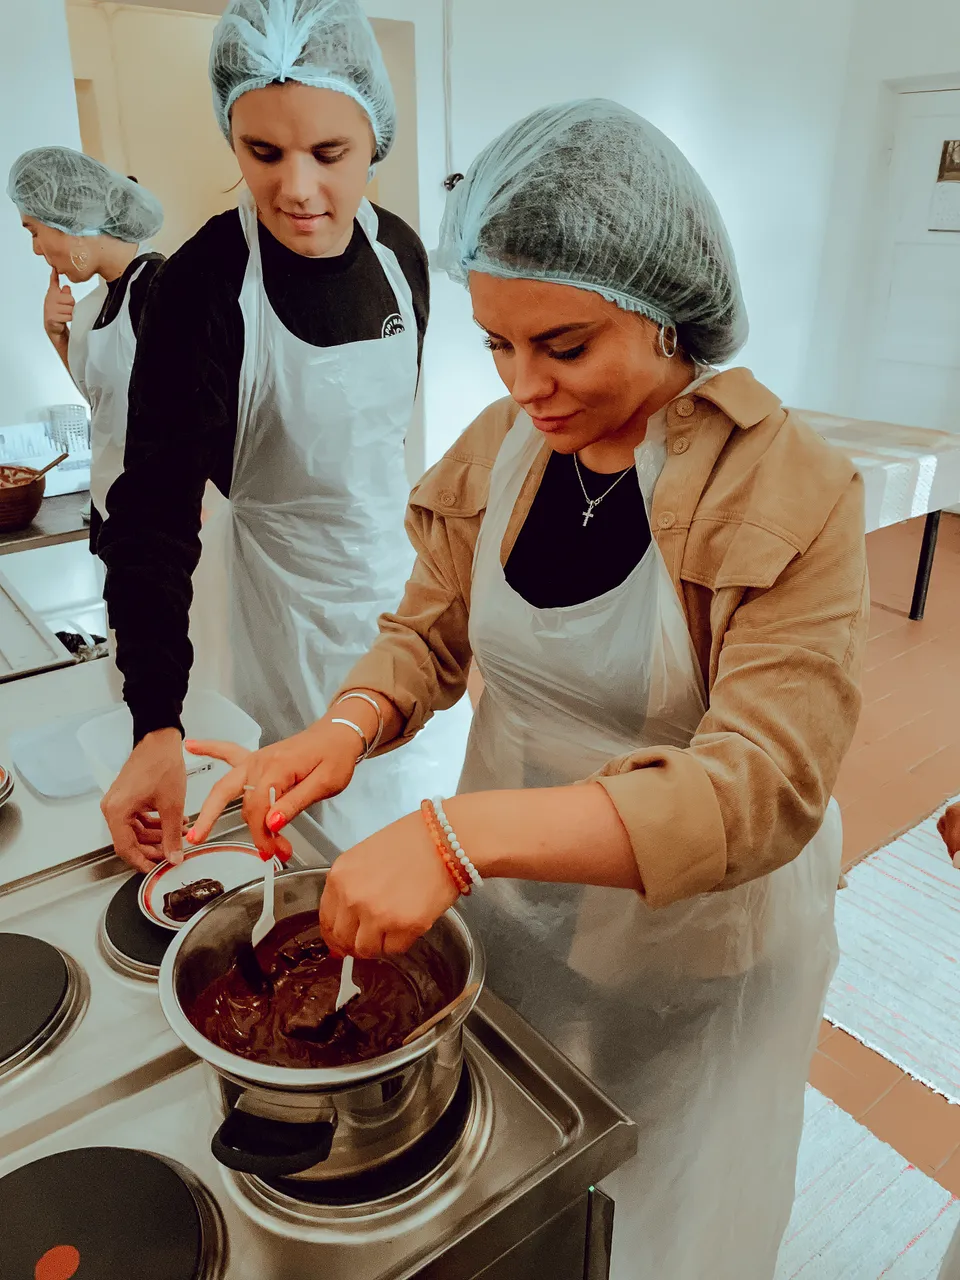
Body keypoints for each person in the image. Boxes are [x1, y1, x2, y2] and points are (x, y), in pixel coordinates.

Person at [187, 100, 868, 1277]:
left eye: (563, 345)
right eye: (497, 344)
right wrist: (347, 726)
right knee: (543, 1177)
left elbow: (761, 787)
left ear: (667, 316)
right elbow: (429, 629)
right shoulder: (504, 446)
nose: (526, 386)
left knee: (666, 1193)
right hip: (528, 903)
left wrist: (455, 837)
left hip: (701, 936)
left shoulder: (787, 489)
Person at [97, 0, 469, 873]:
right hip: (283, 621)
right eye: (262, 153)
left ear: (374, 137)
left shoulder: (402, 256)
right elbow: (151, 514)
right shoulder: (202, 285)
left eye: (328, 154)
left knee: (432, 838)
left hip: (400, 599)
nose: (296, 188)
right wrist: (157, 720)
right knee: (319, 863)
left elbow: (382, 447)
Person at [7, 148, 164, 552]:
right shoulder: (98, 301)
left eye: (33, 231)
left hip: (158, 518)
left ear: (70, 221)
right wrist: (57, 336)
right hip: (115, 507)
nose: (37, 250)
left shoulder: (159, 290)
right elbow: (103, 402)